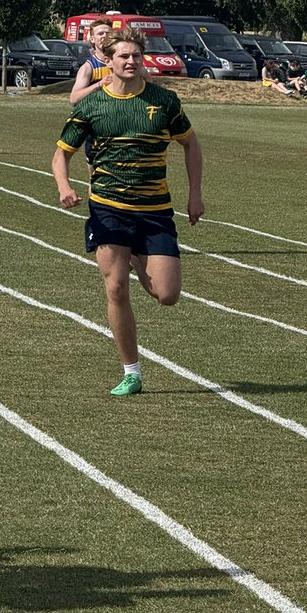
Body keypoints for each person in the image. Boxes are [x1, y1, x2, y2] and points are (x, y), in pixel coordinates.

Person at [52, 29, 204, 397]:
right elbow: (61, 155)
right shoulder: (91, 104)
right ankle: (131, 372)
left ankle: (137, 257)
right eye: (123, 56)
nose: (131, 61)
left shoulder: (163, 101)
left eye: (136, 55)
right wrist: (64, 187)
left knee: (167, 294)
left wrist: (195, 195)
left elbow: (191, 144)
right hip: (109, 208)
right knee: (116, 287)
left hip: (155, 210)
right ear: (108, 61)